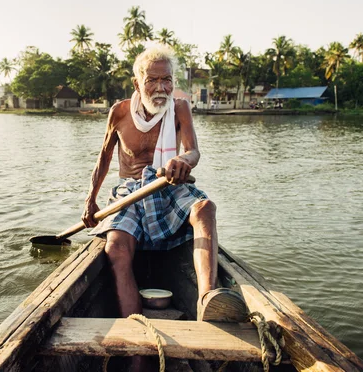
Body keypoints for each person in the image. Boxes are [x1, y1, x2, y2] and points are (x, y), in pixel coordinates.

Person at [82, 45, 246, 370]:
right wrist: (91, 198)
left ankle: (207, 300)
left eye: (167, 80)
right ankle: (139, 346)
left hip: (169, 184)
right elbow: (103, 157)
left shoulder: (181, 107)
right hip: (130, 190)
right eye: (153, 80)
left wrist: (182, 161)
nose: (161, 88)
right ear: (136, 81)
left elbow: (193, 151)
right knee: (115, 249)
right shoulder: (118, 112)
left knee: (205, 209)